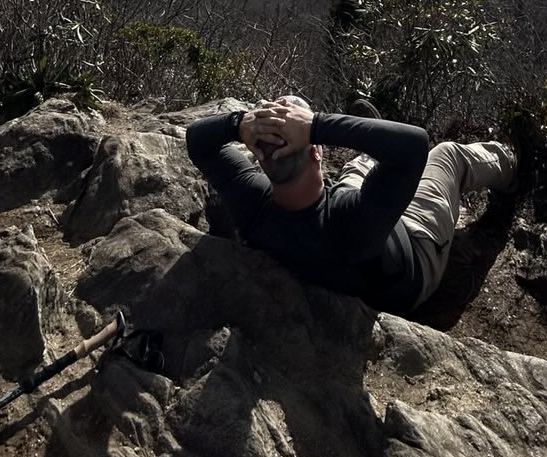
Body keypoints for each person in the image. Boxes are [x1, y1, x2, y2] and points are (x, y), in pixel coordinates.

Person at [185, 96, 518, 315]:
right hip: (416, 251)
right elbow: (415, 144)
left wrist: (239, 123)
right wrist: (315, 124)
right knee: (447, 155)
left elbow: (196, 140)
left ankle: (368, 156)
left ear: (258, 159)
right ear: (317, 151)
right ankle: (514, 166)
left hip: (356, 240)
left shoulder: (254, 204)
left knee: (357, 172)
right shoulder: (348, 220)